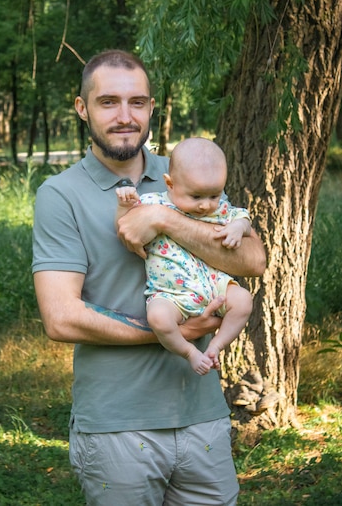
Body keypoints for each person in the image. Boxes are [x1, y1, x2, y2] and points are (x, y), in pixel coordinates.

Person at [32, 49, 266, 506]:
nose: (125, 116)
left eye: (137, 102)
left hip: (202, 416)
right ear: (82, 109)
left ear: (152, 108)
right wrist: (180, 332)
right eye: (108, 102)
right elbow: (61, 319)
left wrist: (164, 218)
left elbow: (253, 260)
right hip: (117, 424)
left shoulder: (187, 174)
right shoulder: (60, 195)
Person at [115, 137, 253, 376]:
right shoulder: (152, 204)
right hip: (170, 293)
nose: (205, 205)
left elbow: (242, 217)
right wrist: (125, 204)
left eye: (214, 195)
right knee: (158, 318)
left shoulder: (219, 209)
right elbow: (125, 227)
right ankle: (189, 352)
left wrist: (238, 227)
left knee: (243, 300)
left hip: (213, 285)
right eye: (196, 196)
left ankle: (216, 346)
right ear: (170, 184)